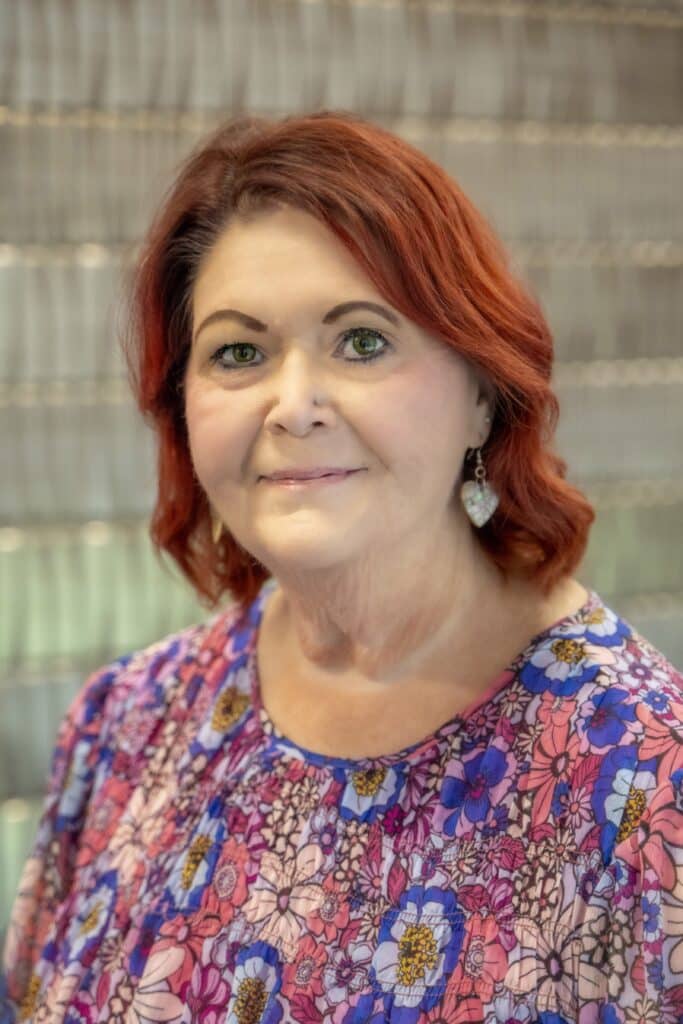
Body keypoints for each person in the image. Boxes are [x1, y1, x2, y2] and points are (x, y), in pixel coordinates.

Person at [2, 109, 682, 1024]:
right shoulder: (125, 725)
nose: (293, 405)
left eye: (361, 341)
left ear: (483, 393)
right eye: (238, 352)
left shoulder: (643, 785)